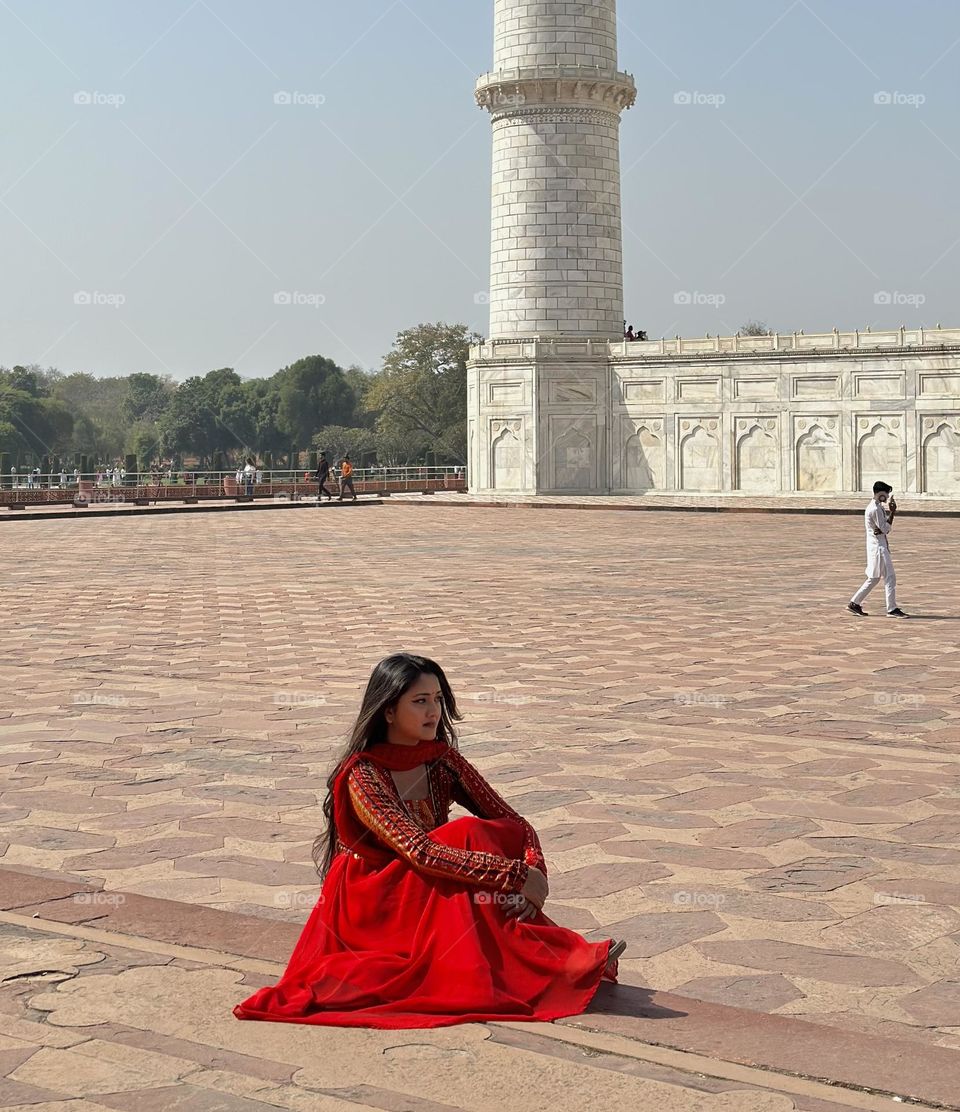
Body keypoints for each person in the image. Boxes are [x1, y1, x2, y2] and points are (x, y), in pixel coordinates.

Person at [234, 653, 625, 1029]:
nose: (433, 711)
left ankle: (541, 959)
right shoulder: (363, 775)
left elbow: (513, 822)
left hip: (424, 881)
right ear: (389, 711)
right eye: (420, 701)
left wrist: (534, 872)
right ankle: (550, 962)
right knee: (465, 834)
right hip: (372, 897)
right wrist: (514, 875)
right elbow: (418, 850)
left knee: (484, 834)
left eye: (438, 699)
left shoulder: (442, 759)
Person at [848, 481, 907, 618]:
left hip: (878, 546)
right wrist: (892, 513)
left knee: (874, 578)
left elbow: (882, 529)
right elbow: (885, 529)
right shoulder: (874, 509)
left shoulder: (876, 507)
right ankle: (891, 609)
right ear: (881, 494)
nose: (887, 497)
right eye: (886, 494)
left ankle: (854, 603)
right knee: (889, 577)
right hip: (878, 548)